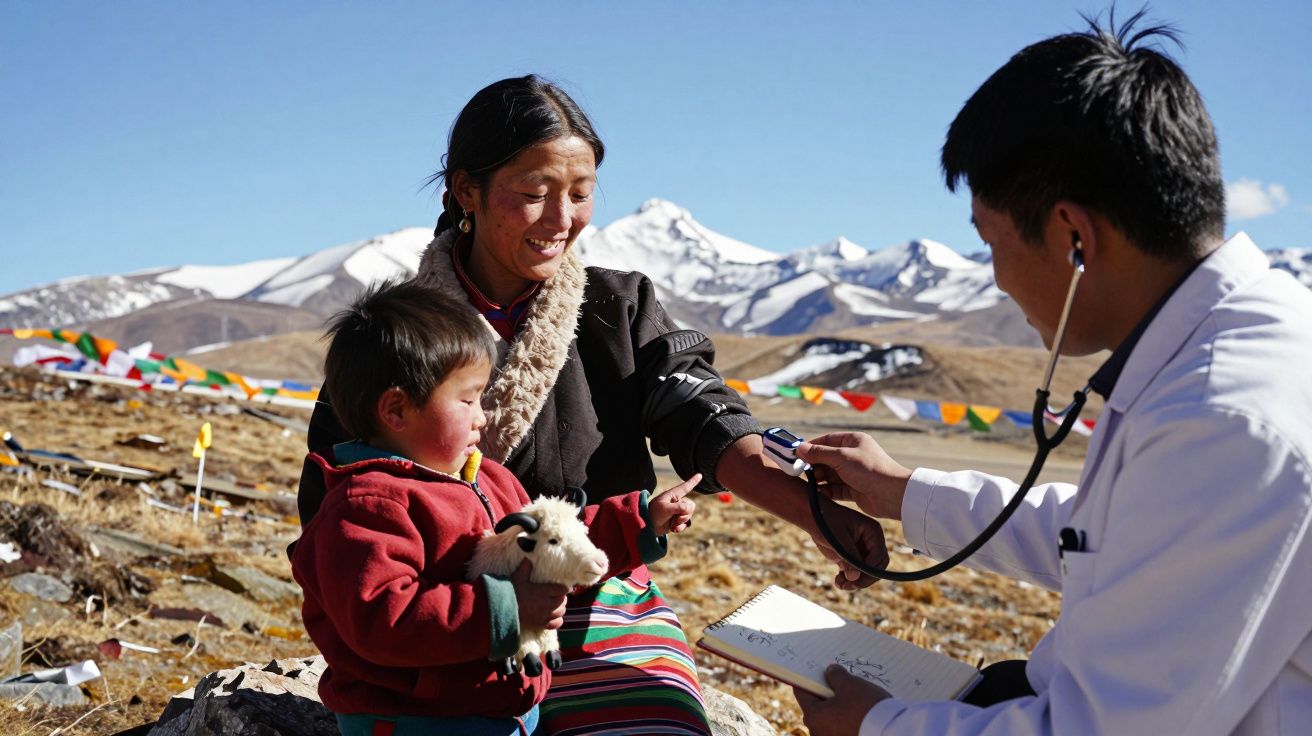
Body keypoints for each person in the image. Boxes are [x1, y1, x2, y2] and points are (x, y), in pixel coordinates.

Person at [297, 75, 889, 734]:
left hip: (599, 597)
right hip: (442, 628)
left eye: (580, 195)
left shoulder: (619, 306)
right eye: (533, 195)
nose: (561, 220)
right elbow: (338, 516)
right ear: (467, 190)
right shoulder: (395, 338)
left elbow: (705, 420)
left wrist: (812, 511)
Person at [792, 11, 1312, 736]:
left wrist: (876, 728)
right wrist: (907, 494)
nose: (997, 278)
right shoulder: (1233, 350)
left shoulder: (1224, 416)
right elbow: (1110, 539)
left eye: (989, 241)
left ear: (1073, 237)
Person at [290, 279, 699, 736]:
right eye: (467, 400)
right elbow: (383, 618)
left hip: (494, 709)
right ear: (396, 411)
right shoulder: (366, 507)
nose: (482, 415)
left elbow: (548, 543)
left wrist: (641, 520)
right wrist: (509, 609)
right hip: (413, 720)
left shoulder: (488, 478)